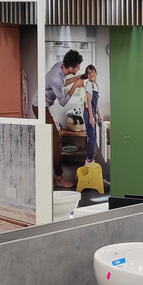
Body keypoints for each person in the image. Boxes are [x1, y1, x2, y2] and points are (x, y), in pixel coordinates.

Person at [43, 49, 84, 188]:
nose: (78, 69)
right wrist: (75, 86)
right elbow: (63, 102)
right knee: (56, 140)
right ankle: (59, 178)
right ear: (71, 67)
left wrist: (75, 79)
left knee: (53, 138)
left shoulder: (60, 65)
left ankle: (51, 170)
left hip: (43, 105)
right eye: (77, 66)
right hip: (39, 106)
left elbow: (62, 82)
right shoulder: (56, 77)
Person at [78, 64, 101, 162]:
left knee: (93, 137)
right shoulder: (89, 84)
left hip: (92, 112)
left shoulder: (96, 85)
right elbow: (88, 101)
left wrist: (98, 115)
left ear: (95, 72)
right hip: (88, 113)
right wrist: (91, 117)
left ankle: (89, 157)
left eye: (92, 71)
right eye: (88, 73)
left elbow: (95, 103)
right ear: (87, 75)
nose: (91, 74)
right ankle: (89, 159)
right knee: (91, 137)